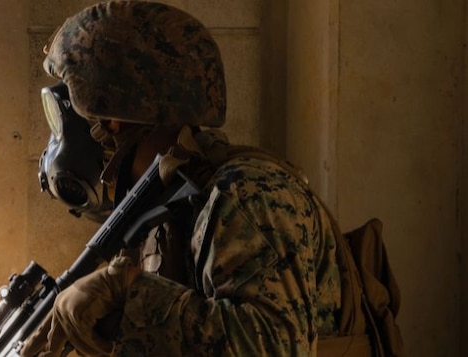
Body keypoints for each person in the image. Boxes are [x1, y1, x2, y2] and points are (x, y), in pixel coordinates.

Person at [23, 1, 385, 356]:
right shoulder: (173, 204)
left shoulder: (246, 195)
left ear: (112, 120)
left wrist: (129, 292)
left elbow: (272, 347)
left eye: (69, 115)